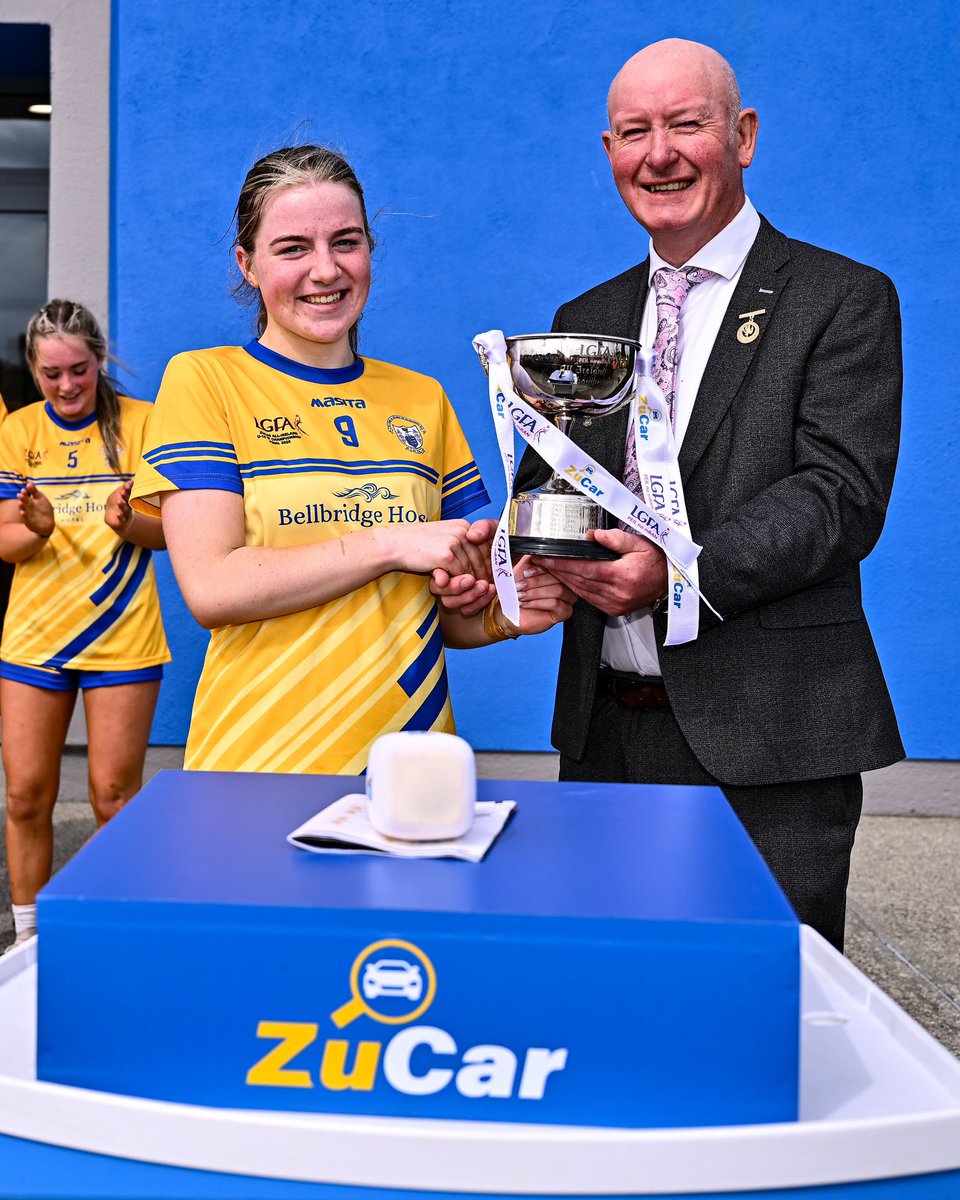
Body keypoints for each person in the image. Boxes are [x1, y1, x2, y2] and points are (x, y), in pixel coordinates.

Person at [441, 40, 903, 951]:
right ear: (608, 150)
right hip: (607, 733)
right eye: (634, 132)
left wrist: (679, 572)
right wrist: (508, 560)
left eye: (686, 125)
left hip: (770, 740)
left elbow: (839, 494)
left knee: (760, 1000)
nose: (660, 155)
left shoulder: (840, 297)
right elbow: (558, 485)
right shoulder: (584, 320)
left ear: (743, 136)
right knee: (612, 995)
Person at [131, 144, 572, 777]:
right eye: (292, 248)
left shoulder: (422, 398)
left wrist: (505, 612)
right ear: (247, 265)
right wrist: (388, 543)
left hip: (411, 765)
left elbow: (439, 611)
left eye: (346, 242)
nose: (325, 269)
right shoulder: (205, 381)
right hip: (259, 762)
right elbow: (213, 588)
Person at [0, 300, 170, 952]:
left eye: (79, 370)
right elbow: (6, 543)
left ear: (100, 360)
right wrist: (37, 529)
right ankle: (28, 940)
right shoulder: (18, 430)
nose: (67, 386)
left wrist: (132, 522)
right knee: (25, 796)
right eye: (51, 375)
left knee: (114, 798)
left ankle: (110, 939)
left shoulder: (144, 423)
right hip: (34, 640)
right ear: (33, 371)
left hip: (123, 638)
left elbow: (171, 532)